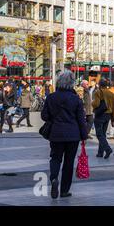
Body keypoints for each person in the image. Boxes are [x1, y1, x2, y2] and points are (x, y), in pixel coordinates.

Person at [41, 70, 88, 199]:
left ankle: (54, 178)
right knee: (69, 162)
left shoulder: (51, 97)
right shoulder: (76, 99)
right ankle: (64, 190)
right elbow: (81, 120)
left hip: (56, 133)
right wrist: (84, 136)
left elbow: (44, 116)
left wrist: (53, 117)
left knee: (55, 158)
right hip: (73, 135)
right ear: (72, 83)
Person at [92, 79, 114, 159]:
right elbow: (113, 107)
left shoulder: (97, 92)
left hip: (100, 114)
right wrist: (113, 119)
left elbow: (96, 104)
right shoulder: (111, 93)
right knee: (103, 134)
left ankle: (107, 149)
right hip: (108, 115)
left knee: (99, 134)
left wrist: (92, 103)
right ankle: (100, 152)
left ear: (99, 85)